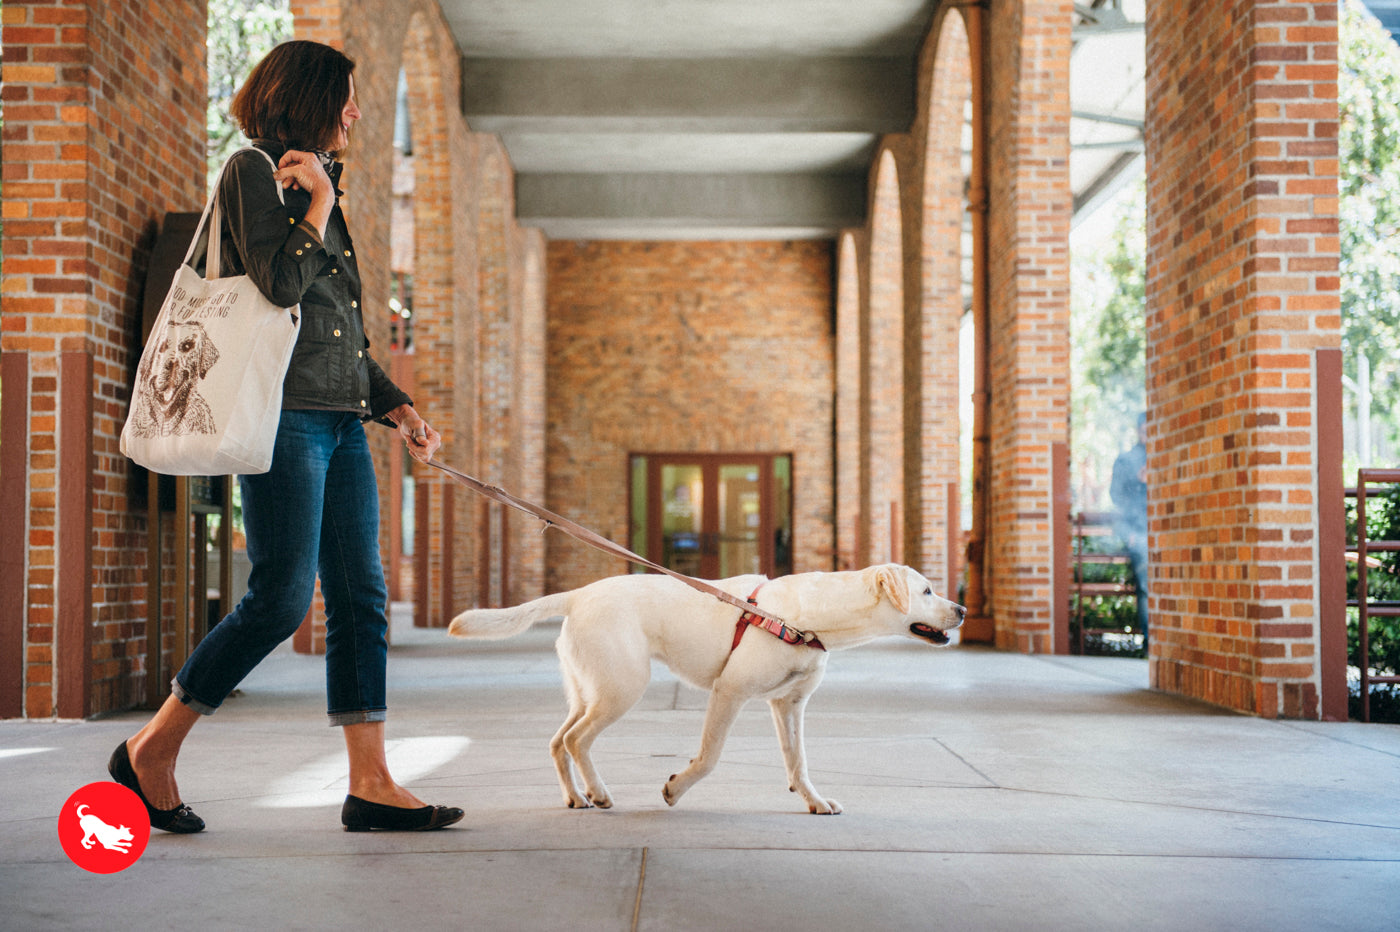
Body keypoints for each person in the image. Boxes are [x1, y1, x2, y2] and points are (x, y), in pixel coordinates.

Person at [110, 40, 463, 834]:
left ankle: (371, 782)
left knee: (361, 597)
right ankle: (151, 748)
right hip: (282, 420)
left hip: (339, 423)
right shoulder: (252, 173)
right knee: (278, 599)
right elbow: (277, 285)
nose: (356, 113)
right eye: (346, 97)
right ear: (309, 97)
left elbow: (339, 330)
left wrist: (398, 407)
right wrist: (318, 206)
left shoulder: (320, 186)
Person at [1110, 412, 1149, 650]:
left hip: (1165, 532)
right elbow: (1116, 497)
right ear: (1138, 430)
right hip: (1138, 532)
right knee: (1146, 589)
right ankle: (1150, 645)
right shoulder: (1126, 460)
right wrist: (1138, 482)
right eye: (1145, 431)